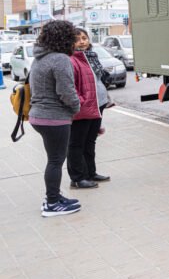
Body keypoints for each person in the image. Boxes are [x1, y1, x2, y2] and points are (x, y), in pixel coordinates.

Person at [28, 20, 82, 217]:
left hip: (39, 116)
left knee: (54, 159)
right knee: (56, 160)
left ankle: (55, 197)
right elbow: (66, 91)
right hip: (54, 118)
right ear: (65, 38)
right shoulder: (60, 59)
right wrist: (76, 107)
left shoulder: (40, 57)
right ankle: (52, 203)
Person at [69, 29, 111, 186]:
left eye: (84, 38)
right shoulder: (72, 59)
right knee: (77, 143)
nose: (82, 41)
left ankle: (91, 173)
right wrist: (81, 102)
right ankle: (78, 178)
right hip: (84, 107)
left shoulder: (92, 56)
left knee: (90, 141)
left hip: (98, 104)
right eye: (77, 39)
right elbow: (70, 86)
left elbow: (97, 80)